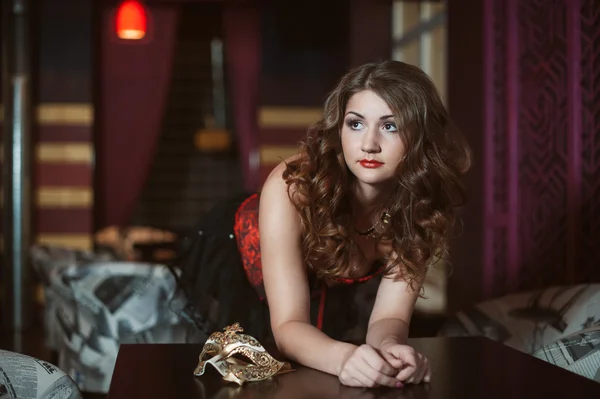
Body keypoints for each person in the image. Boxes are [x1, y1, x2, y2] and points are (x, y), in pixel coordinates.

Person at [174, 60, 471, 389]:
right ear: (339, 128)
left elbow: (390, 317)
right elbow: (288, 325)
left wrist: (391, 349)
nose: (369, 143)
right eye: (355, 124)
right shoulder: (293, 188)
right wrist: (345, 358)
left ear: (421, 136)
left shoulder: (423, 204)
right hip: (239, 264)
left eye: (391, 126)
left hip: (323, 286)